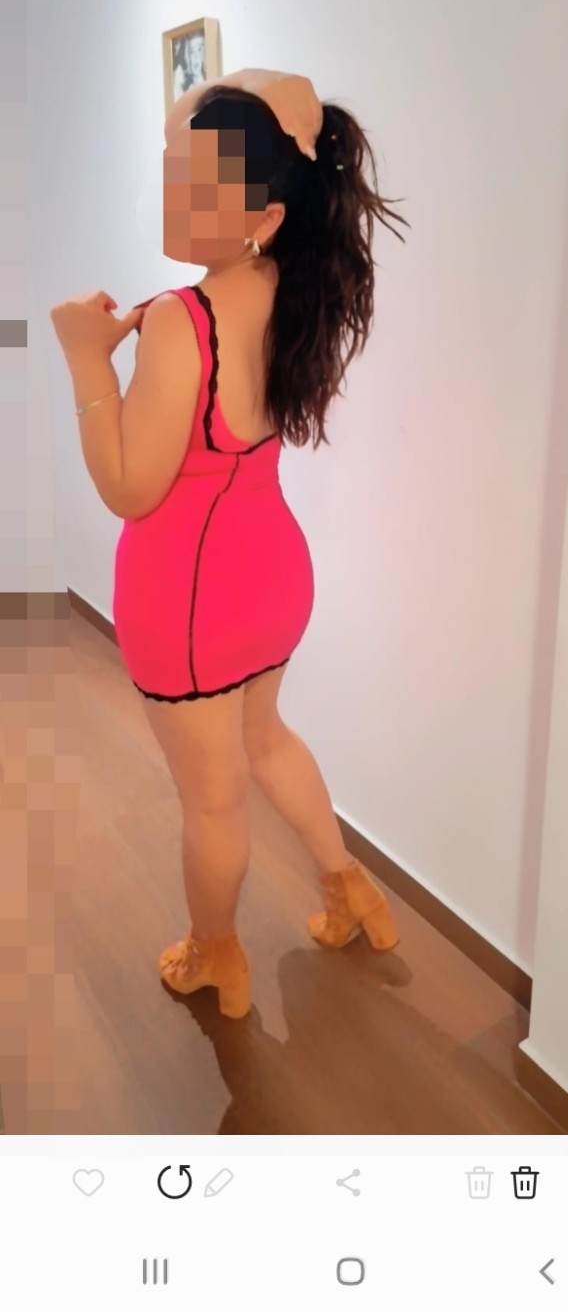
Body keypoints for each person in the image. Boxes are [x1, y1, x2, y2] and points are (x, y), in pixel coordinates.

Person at [50, 68, 407, 1019]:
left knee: (212, 800)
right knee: (266, 739)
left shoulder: (183, 319)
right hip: (272, 577)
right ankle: (350, 888)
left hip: (190, 602)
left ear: (265, 214)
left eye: (202, 185)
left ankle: (216, 955)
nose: (175, 195)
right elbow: (194, 125)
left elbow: (129, 488)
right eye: (176, 171)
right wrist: (251, 87)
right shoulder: (296, 286)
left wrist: (86, 361)